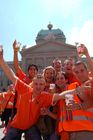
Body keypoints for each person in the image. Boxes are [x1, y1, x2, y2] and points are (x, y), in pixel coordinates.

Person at [0, 47, 81, 140]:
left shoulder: (45, 95)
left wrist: (76, 90)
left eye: (41, 84)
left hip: (32, 126)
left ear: (44, 86)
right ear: (32, 84)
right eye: (36, 84)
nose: (38, 86)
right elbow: (12, 76)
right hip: (16, 126)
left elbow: (61, 95)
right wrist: (2, 61)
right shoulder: (26, 89)